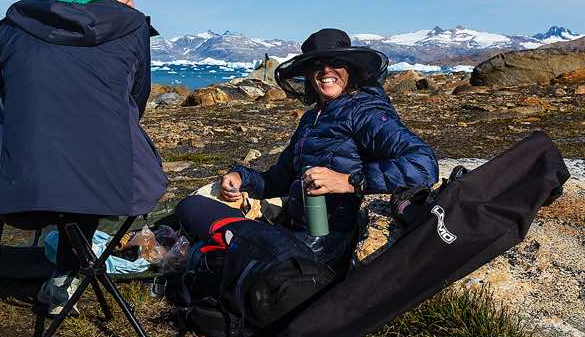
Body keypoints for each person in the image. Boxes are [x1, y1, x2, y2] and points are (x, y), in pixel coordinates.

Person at [0, 0, 167, 331]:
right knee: (94, 148)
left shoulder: (14, 26)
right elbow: (135, 104)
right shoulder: (134, 28)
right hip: (107, 194)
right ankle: (64, 281)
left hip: (19, 198)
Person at [176, 28, 438, 268]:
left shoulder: (365, 111)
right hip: (296, 230)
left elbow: (423, 164)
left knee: (210, 232)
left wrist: (349, 181)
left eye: (335, 63)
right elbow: (279, 179)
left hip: (328, 241)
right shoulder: (312, 119)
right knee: (190, 207)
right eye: (316, 65)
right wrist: (241, 178)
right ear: (308, 74)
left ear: (351, 69)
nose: (326, 71)